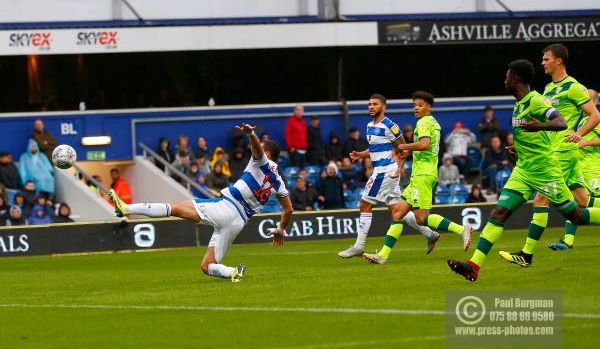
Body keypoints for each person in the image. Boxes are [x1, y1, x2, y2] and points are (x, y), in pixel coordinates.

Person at [448, 59, 600, 282]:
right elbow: (535, 138)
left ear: (516, 79)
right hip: (523, 170)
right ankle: (473, 266)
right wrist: (518, 150)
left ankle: (522, 255)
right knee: (499, 213)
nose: (505, 80)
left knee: (576, 215)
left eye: (507, 76)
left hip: (545, 171)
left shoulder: (537, 101)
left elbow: (561, 123)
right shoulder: (519, 105)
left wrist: (539, 125)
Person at [109, 123, 293, 282]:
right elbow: (288, 210)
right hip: (238, 222)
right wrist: (280, 229)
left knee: (175, 208)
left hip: (225, 208)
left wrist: (251, 134)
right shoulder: (279, 182)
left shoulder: (262, 162)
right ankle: (233, 272)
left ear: (267, 153)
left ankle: (126, 208)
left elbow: (258, 150)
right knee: (207, 266)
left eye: (259, 148)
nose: (254, 150)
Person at [505, 44, 600, 256]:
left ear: (559, 61)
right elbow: (544, 126)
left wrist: (580, 134)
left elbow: (595, 115)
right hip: (552, 150)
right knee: (582, 201)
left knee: (541, 197)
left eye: (546, 59)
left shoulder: (574, 87)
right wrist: (522, 147)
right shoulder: (548, 89)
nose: (542, 63)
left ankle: (526, 254)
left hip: (563, 150)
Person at [363, 91, 472, 265]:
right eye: (414, 105)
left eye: (420, 105)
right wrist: (404, 158)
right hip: (421, 174)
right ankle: (383, 255)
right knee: (397, 213)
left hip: (423, 175)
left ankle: (461, 229)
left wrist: (403, 146)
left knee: (421, 217)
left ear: (428, 107)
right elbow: (422, 148)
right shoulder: (433, 122)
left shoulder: (423, 122)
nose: (416, 108)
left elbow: (424, 144)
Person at [338, 94, 440, 259]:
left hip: (385, 171)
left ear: (383, 107)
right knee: (397, 210)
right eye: (369, 104)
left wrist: (400, 166)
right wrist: (360, 154)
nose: (371, 107)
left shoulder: (390, 126)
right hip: (384, 171)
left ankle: (359, 246)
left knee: (364, 205)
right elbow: (374, 149)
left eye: (375, 104)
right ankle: (430, 234)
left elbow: (402, 147)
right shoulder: (370, 125)